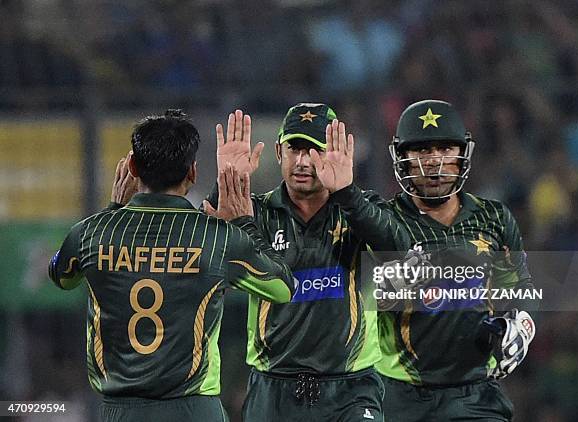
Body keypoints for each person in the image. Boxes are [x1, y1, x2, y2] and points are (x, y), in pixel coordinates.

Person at [48, 109, 295, 422]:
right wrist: (244, 222)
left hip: (119, 411)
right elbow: (283, 288)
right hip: (193, 410)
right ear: (192, 172)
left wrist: (113, 211)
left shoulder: (91, 234)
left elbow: (61, 277)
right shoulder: (218, 239)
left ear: (133, 167)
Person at [330, 99, 537, 421]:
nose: (435, 162)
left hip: (476, 392)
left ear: (462, 155)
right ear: (403, 159)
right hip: (399, 394)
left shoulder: (494, 217)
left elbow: (518, 288)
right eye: (422, 151)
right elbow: (352, 296)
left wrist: (522, 322)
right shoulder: (381, 219)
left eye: (444, 150)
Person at [203, 105, 404, 422]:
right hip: (274, 389)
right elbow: (204, 254)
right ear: (279, 151)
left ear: (335, 152)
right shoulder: (255, 212)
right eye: (295, 148)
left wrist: (348, 194)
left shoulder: (359, 209)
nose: (303, 161)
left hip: (350, 389)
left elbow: (400, 253)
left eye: (315, 150)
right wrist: (225, 181)